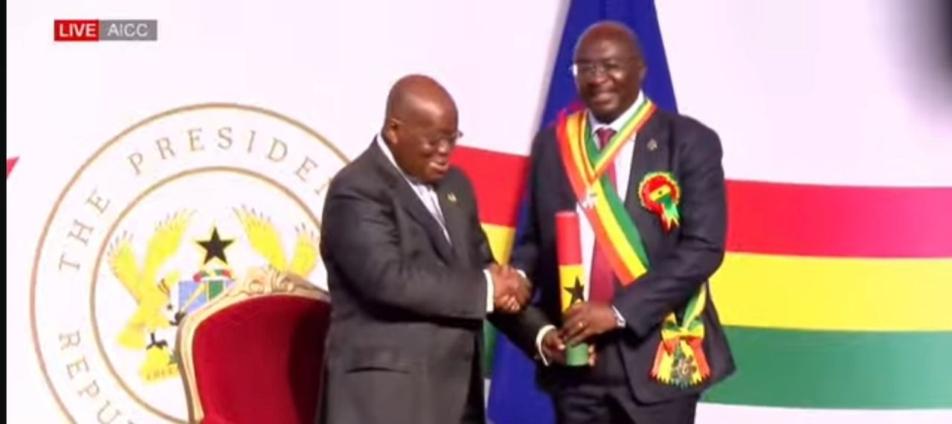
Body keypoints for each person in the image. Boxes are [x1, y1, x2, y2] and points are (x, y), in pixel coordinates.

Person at [504, 22, 736, 423]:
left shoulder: (689, 141)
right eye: (585, 68)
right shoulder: (553, 144)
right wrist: (518, 280)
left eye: (610, 66)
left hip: (656, 359)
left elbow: (703, 248)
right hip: (576, 361)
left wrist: (617, 311)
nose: (597, 78)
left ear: (640, 69)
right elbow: (534, 242)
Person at [318, 74, 531, 424]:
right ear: (394, 130)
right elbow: (389, 280)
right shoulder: (356, 188)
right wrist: (490, 287)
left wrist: (541, 335)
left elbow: (482, 269)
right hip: (387, 399)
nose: (446, 150)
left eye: (452, 138)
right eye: (434, 140)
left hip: (458, 395)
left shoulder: (456, 185)